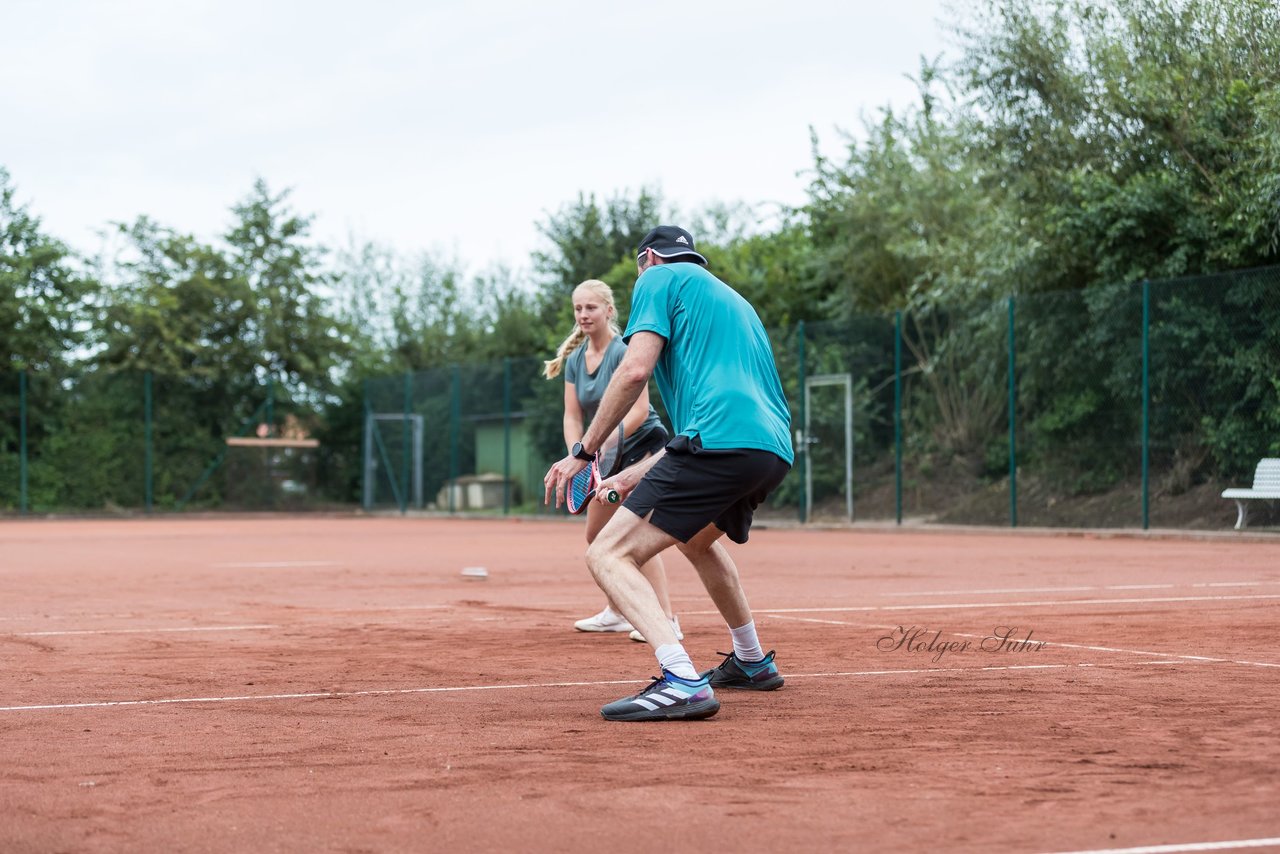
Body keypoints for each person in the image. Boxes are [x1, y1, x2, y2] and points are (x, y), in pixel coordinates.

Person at [544, 226, 794, 722]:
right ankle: (751, 661)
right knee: (696, 540)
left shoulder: (657, 279)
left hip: (718, 442)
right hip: (771, 448)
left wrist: (583, 451)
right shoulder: (736, 303)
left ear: (648, 258)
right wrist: (633, 474)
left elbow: (634, 371)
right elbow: (704, 426)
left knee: (607, 555)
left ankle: (681, 679)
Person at [543, 279, 683, 644]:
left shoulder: (625, 350)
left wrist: (598, 445)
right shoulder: (575, 361)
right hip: (603, 454)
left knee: (633, 535)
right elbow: (572, 417)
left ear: (608, 310)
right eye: (578, 309)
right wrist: (579, 454)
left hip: (643, 449)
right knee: (597, 536)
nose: (583, 314)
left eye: (591, 307)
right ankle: (619, 612)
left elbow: (638, 410)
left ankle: (666, 620)